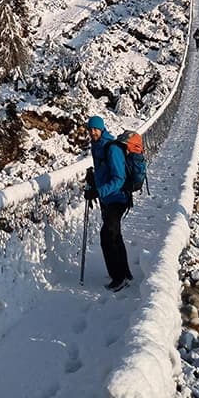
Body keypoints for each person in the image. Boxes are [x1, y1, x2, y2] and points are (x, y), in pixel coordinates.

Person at [85, 113, 133, 291]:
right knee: (115, 236)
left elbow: (119, 178)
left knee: (107, 237)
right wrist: (93, 180)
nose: (92, 132)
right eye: (90, 129)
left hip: (118, 198)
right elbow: (103, 172)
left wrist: (99, 191)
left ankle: (118, 278)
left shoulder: (111, 148)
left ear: (102, 128)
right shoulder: (96, 146)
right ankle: (125, 273)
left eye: (95, 129)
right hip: (108, 199)